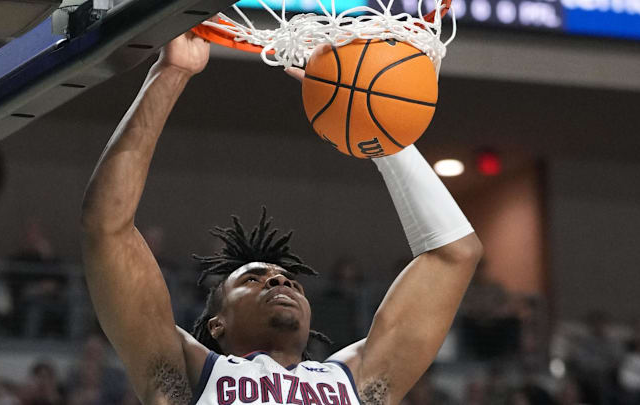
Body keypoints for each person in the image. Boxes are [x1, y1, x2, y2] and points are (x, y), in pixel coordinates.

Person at [80, 31, 482, 405]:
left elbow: (456, 254)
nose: (279, 281)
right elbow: (106, 228)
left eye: (290, 281)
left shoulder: (355, 381)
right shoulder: (188, 373)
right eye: (252, 280)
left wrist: (375, 128)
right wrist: (170, 74)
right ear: (217, 325)